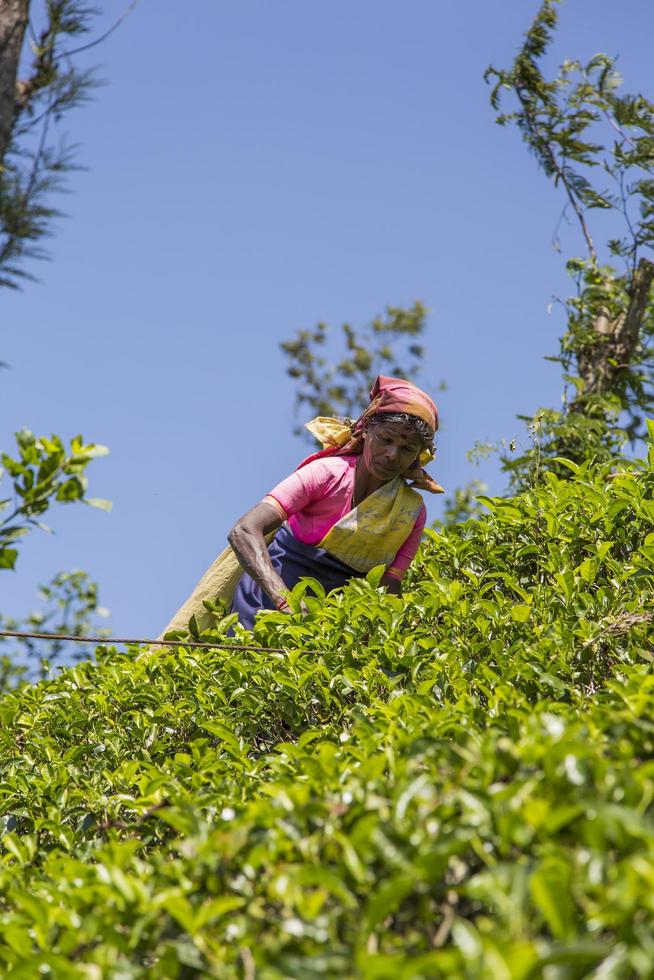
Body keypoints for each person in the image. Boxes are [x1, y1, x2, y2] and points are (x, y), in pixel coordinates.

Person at [227, 375, 443, 630]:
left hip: (328, 625)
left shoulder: (410, 512)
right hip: (263, 605)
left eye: (406, 449)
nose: (392, 455)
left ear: (418, 456)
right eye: (386, 439)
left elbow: (390, 584)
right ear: (365, 431)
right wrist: (284, 600)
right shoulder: (326, 474)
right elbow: (243, 530)